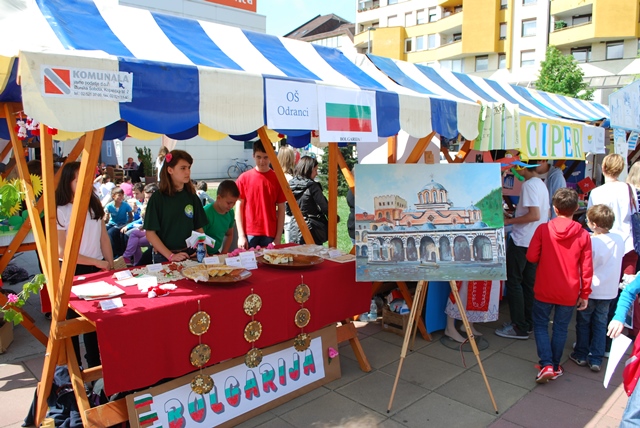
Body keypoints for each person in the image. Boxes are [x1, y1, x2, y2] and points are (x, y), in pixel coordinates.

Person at [527, 188, 592, 383]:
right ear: (576, 208)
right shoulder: (583, 235)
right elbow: (587, 268)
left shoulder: (543, 229)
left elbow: (531, 257)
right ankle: (554, 365)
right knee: (561, 328)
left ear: (555, 208)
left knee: (540, 325)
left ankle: (546, 363)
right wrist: (585, 293)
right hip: (569, 290)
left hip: (544, 287)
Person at [56, 162, 114, 369]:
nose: (85, 183)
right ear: (68, 182)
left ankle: (95, 368)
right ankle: (74, 368)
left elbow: (103, 238)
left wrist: (110, 263)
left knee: (96, 321)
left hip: (98, 269)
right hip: (74, 271)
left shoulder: (93, 204)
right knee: (73, 323)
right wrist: (98, 262)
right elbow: (62, 252)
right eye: (79, 179)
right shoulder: (61, 210)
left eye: (88, 178)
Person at [495, 161, 549, 340]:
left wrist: (509, 221)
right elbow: (540, 214)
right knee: (527, 283)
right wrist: (515, 216)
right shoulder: (540, 184)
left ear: (523, 167)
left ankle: (519, 326)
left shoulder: (529, 185)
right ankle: (527, 323)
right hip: (534, 241)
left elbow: (534, 215)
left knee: (514, 282)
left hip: (522, 241)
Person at [570, 204, 624, 372]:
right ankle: (596, 358)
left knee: (583, 322)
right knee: (601, 324)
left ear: (593, 224)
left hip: (591, 290)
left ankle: (581, 353)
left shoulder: (592, 241)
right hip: (609, 291)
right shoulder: (619, 239)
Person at [144, 150, 208, 263]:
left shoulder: (192, 196)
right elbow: (150, 233)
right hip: (164, 256)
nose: (187, 172)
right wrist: (171, 256)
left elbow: (199, 228)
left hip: (190, 253)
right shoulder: (157, 198)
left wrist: (202, 248)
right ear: (170, 170)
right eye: (183, 168)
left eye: (189, 167)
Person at [235, 141, 286, 249]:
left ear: (271, 157)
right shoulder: (244, 178)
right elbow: (239, 207)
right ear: (253, 156)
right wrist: (241, 235)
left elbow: (282, 209)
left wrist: (278, 237)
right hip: (249, 232)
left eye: (265, 157)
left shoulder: (278, 179)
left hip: (270, 232)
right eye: (259, 157)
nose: (262, 161)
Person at [287, 156, 330, 245]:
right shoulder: (313, 186)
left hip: (294, 227)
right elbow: (325, 207)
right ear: (308, 170)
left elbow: (288, 210)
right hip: (311, 228)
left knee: (296, 252)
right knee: (313, 253)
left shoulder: (290, 185)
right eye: (315, 170)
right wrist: (334, 218)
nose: (316, 173)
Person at [121, 183, 158, 266]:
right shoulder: (146, 205)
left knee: (136, 241)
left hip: (155, 234)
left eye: (149, 197)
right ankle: (131, 260)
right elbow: (142, 220)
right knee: (132, 234)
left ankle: (132, 260)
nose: (147, 200)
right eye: (146, 197)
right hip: (147, 230)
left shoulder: (158, 208)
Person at [203, 180, 239, 255]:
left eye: (234, 203)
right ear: (218, 198)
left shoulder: (230, 213)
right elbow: (199, 237)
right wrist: (205, 254)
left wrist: (224, 253)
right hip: (201, 253)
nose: (231, 206)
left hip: (216, 252)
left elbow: (229, 234)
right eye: (229, 203)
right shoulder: (206, 213)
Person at [104, 187, 134, 258]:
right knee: (104, 230)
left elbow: (131, 217)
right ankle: (105, 251)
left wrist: (127, 224)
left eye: (122, 195)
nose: (121, 197)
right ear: (113, 196)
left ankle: (115, 252)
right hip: (112, 223)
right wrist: (106, 217)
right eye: (119, 195)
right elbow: (106, 219)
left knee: (111, 232)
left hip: (122, 223)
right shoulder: (109, 206)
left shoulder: (125, 205)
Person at [277, 145, 296, 243]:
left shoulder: (275, 175)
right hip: (288, 216)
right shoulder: (290, 179)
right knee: (289, 245)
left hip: (275, 214)